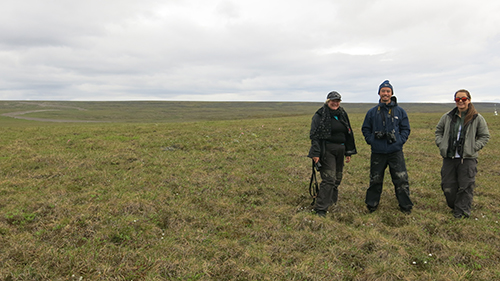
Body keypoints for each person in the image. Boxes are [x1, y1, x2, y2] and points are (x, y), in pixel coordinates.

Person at [435, 89, 490, 218]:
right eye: (457, 99)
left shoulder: (477, 118)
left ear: (469, 100)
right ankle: (455, 206)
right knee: (448, 186)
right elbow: (438, 131)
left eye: (463, 99)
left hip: (467, 159)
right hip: (449, 157)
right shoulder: (447, 117)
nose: (460, 101)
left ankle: (462, 213)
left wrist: (473, 148)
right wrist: (441, 143)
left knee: (465, 186)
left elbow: (484, 136)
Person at [362, 80, 413, 214]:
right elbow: (366, 129)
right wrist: (372, 140)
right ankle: (371, 204)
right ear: (379, 93)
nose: (385, 93)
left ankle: (405, 206)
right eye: (383, 91)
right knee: (375, 179)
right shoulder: (372, 112)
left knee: (401, 179)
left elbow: (406, 129)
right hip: (377, 151)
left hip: (395, 151)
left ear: (392, 93)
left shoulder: (400, 111)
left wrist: (399, 141)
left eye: (388, 91)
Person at [308, 91, 357, 217]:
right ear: (328, 101)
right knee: (329, 178)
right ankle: (320, 209)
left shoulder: (342, 114)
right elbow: (314, 135)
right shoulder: (320, 115)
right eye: (333, 101)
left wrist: (348, 151)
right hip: (326, 149)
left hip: (341, 148)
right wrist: (316, 153)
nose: (335, 103)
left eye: (337, 101)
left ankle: (332, 202)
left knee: (337, 178)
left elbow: (348, 132)